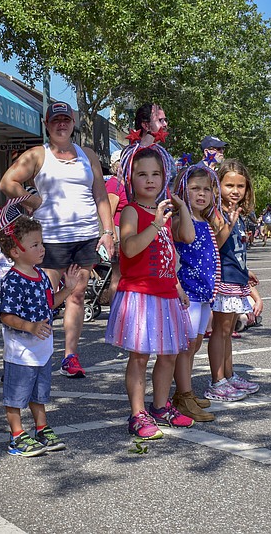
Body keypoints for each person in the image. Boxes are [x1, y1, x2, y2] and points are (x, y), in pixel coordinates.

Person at [0, 101, 114, 379]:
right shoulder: (38, 155)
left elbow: (100, 195)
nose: (61, 125)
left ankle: (70, 356)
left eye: (66, 120)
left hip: (84, 236)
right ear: (47, 125)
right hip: (49, 239)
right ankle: (29, 356)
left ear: (73, 123)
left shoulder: (88, 155)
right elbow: (6, 183)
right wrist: (30, 197)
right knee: (43, 297)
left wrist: (108, 232)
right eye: (55, 121)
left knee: (76, 294)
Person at [105, 145, 195, 440]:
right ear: (131, 178)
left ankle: (160, 406)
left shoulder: (165, 212)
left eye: (156, 174)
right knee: (140, 357)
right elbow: (129, 248)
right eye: (142, 174)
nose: (150, 180)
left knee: (168, 355)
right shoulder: (132, 211)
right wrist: (156, 222)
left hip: (166, 293)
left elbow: (178, 246)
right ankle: (137, 413)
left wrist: (181, 207)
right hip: (141, 296)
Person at [0, 216, 79, 456]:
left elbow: (49, 302)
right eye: (35, 245)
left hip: (42, 349)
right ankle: (16, 435)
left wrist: (69, 288)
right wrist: (29, 326)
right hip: (20, 350)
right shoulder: (13, 280)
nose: (42, 248)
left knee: (38, 393)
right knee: (15, 395)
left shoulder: (41, 275)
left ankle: (41, 428)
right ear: (15, 251)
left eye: (41, 243)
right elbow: (5, 315)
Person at [205, 159, 261, 402]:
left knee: (228, 332)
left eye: (241, 186)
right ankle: (217, 381)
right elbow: (215, 245)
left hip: (235, 276)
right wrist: (230, 222)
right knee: (220, 331)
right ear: (218, 186)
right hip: (222, 279)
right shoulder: (217, 213)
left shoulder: (237, 214)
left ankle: (229, 375)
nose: (236, 191)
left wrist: (245, 271)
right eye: (229, 185)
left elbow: (234, 249)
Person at [171, 162, 220, 423]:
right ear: (182, 191)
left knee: (195, 344)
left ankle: (183, 392)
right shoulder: (181, 219)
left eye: (207, 189)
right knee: (185, 346)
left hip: (204, 294)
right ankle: (183, 394)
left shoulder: (206, 220)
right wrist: (181, 207)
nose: (201, 194)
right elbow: (186, 239)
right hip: (187, 293)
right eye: (194, 189)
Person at [104, 149, 127, 302]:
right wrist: (114, 237)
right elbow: (109, 212)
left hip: (126, 231)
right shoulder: (114, 184)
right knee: (117, 275)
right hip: (117, 231)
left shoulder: (124, 183)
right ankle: (114, 313)